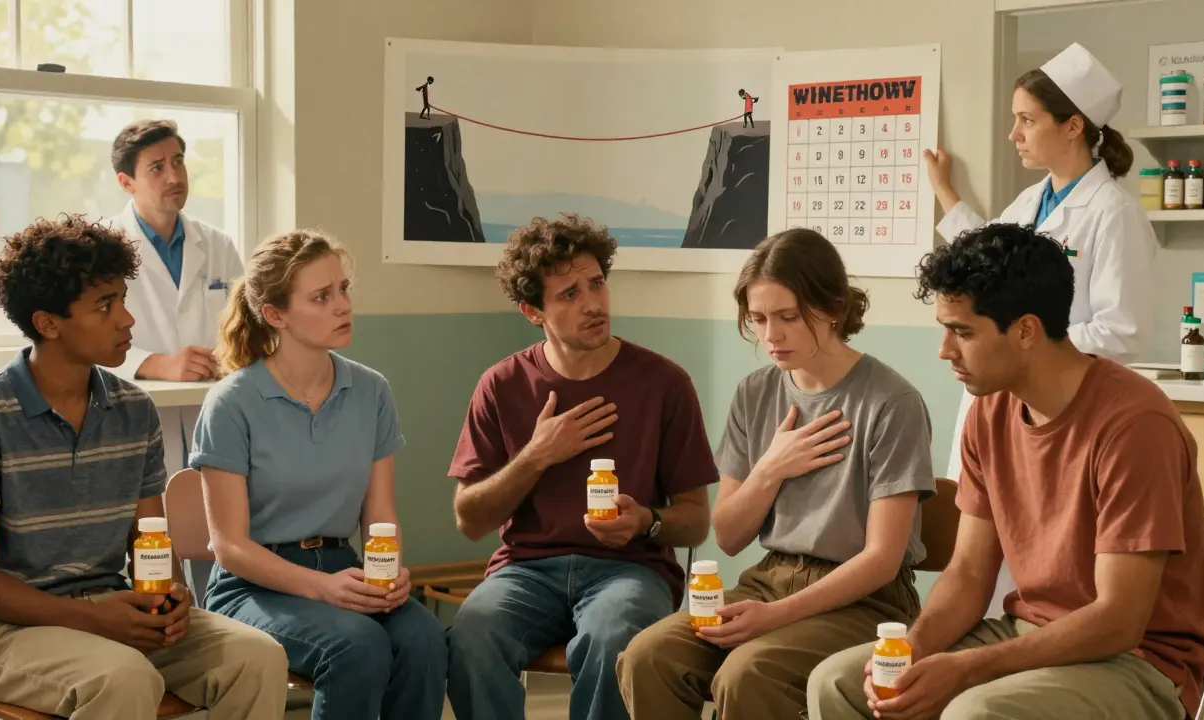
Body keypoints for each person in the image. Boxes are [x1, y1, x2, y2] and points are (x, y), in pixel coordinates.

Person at [808, 222, 1204, 720]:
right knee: (839, 683)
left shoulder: (1135, 425)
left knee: (974, 712)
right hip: (1028, 632)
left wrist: (971, 668)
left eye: (961, 331)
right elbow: (970, 572)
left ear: (1025, 330)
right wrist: (912, 650)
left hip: (1140, 664)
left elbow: (1119, 620)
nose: (944, 350)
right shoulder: (989, 410)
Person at [0, 214, 288, 720]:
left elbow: (150, 541)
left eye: (122, 298)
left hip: (113, 607)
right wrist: (90, 617)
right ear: (47, 323)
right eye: (105, 305)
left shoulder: (133, 409)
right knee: (124, 678)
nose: (127, 319)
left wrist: (170, 594)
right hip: (2, 633)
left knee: (258, 658)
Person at [616, 229, 936, 720]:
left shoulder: (892, 402)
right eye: (759, 319)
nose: (771, 336)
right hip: (767, 580)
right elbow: (727, 534)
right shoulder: (755, 392)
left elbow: (881, 559)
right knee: (647, 656)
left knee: (746, 673)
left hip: (866, 600)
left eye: (788, 317)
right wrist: (770, 468)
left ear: (833, 307)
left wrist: (775, 616)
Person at [445, 213, 719, 720]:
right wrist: (536, 455)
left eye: (596, 284)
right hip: (526, 571)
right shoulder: (501, 385)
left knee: (612, 636)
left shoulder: (664, 383)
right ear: (532, 311)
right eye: (569, 294)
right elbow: (470, 519)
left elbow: (697, 520)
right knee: (470, 635)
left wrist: (646, 521)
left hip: (632, 571)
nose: (593, 303)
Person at [925, 42, 1156, 616]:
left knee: (1042, 570)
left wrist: (1036, 352)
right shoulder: (1032, 199)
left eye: (1026, 119)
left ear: (1073, 125)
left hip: (1067, 415)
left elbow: (1123, 331)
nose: (1014, 134)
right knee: (981, 563)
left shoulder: (1114, 213)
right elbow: (983, 270)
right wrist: (944, 190)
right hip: (1003, 407)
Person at [189, 229, 447, 720]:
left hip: (344, 569)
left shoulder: (371, 391)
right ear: (275, 315)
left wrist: (386, 572)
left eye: (343, 289)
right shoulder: (232, 403)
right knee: (358, 646)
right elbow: (230, 547)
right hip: (252, 586)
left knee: (425, 639)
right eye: (322, 296)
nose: (342, 305)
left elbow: (380, 514)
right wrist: (322, 589)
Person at [108, 118, 245, 602]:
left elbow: (243, 327)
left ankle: (228, 637)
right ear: (127, 182)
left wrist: (229, 356)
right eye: (157, 167)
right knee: (152, 548)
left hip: (216, 413)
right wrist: (154, 363)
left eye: (179, 162)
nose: (174, 176)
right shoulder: (105, 247)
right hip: (140, 418)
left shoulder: (219, 245)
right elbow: (85, 340)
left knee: (220, 538)